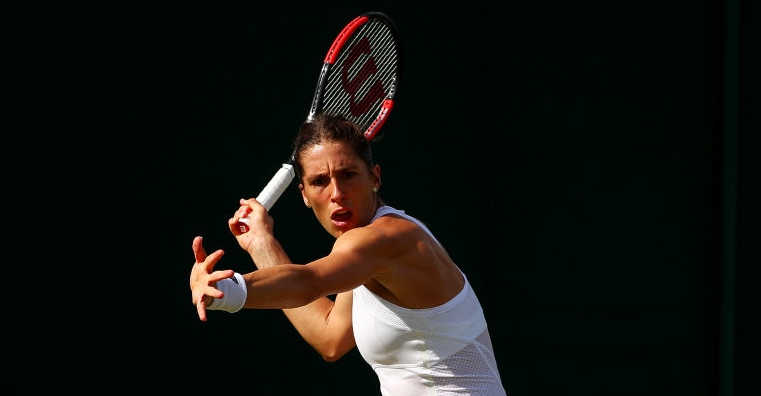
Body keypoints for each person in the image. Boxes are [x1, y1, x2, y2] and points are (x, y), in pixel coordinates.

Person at [190, 113, 508, 396]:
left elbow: (309, 281)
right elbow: (330, 338)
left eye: (348, 175)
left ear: (375, 178)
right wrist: (262, 244)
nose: (337, 193)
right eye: (319, 181)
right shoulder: (363, 262)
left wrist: (227, 291)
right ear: (304, 194)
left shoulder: (387, 239)